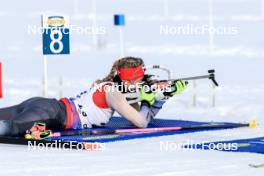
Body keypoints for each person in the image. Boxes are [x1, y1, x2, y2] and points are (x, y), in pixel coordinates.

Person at [0, 57, 187, 138]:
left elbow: (136, 116)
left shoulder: (112, 87)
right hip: (51, 114)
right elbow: (141, 122)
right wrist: (150, 99)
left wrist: (161, 97)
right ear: (130, 81)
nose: (143, 83)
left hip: (44, 107)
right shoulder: (113, 93)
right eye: (140, 81)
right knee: (7, 129)